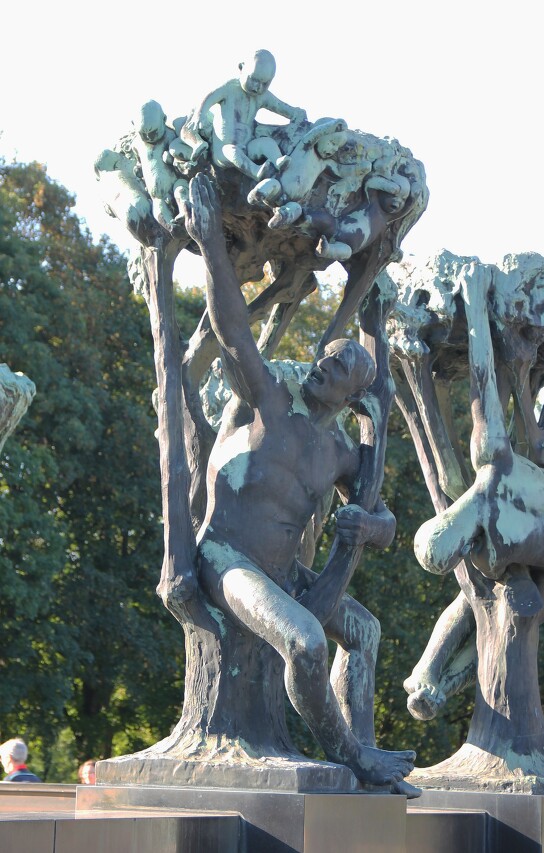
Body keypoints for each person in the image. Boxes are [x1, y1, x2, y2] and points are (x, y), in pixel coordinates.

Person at [179, 173, 416, 791]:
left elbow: (388, 527)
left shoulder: (339, 451)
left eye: (336, 367)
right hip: (227, 557)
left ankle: (360, 752)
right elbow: (232, 328)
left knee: (362, 630)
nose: (321, 368)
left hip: (283, 573)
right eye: (324, 359)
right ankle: (353, 759)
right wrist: (209, 243)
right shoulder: (271, 404)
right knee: (307, 643)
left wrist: (371, 522)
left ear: (354, 393)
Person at [181, 49, 306, 183]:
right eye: (253, 80)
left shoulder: (262, 96)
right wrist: (199, 115)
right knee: (232, 151)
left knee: (265, 143)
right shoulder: (229, 88)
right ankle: (255, 171)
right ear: (241, 68)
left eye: (264, 84)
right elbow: (209, 98)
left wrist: (296, 113)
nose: (257, 87)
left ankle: (278, 160)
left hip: (247, 146)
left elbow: (281, 107)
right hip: (223, 152)